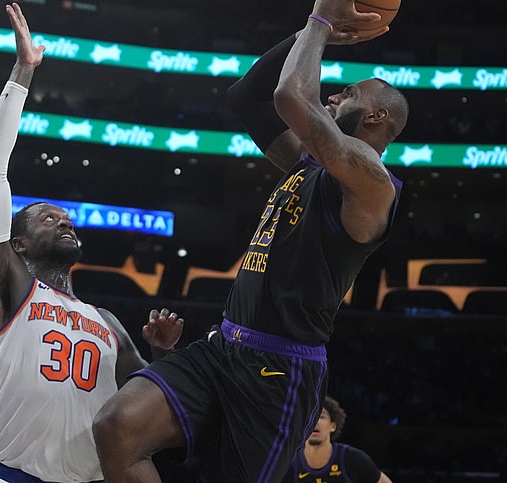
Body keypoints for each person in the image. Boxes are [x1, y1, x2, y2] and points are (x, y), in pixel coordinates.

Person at [92, 0, 409, 480]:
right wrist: (313, 31)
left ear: (376, 116)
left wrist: (321, 20)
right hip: (224, 345)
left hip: (279, 372)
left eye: (346, 95)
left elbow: (292, 98)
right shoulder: (309, 162)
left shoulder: (371, 182)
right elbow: (246, 96)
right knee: (117, 426)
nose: (332, 98)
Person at [0, 4, 183, 482]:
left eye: (67, 219)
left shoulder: (106, 323)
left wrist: (165, 356)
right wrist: (23, 72)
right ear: (17, 243)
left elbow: (151, 411)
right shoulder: (7, 286)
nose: (64, 222)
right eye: (49, 218)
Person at [285, 396, 392, 482]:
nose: (315, 422)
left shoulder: (352, 458)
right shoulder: (288, 463)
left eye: (321, 417)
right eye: (310, 417)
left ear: (333, 426)